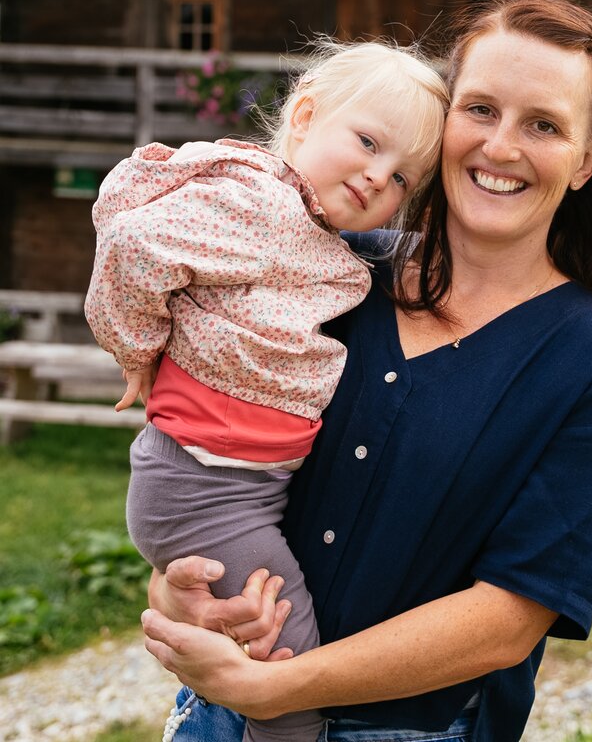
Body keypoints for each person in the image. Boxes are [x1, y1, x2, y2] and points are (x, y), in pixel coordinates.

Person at [141, 0, 592, 742]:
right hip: (216, 717)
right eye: (481, 109)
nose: (501, 147)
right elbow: (205, 473)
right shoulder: (331, 274)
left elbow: (507, 619)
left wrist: (277, 688)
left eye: (544, 125)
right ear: (443, 119)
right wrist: (181, 595)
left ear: (586, 160)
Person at [84, 41, 448, 742]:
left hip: (228, 484)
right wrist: (136, 350)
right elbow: (134, 244)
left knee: (271, 632)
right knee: (288, 648)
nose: (378, 177)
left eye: (403, 176)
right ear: (305, 115)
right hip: (203, 486)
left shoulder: (309, 226)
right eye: (367, 142)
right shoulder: (258, 205)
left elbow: (403, 253)